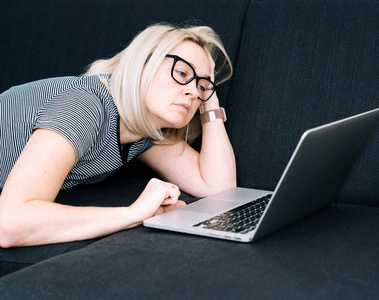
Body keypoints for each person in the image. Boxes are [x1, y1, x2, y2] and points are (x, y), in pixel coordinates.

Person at [0, 24, 236, 247]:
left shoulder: (144, 131)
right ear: (141, 65)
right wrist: (133, 214)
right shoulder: (87, 105)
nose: (193, 91)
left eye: (202, 85)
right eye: (183, 73)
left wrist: (210, 102)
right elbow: (9, 224)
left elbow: (219, 188)